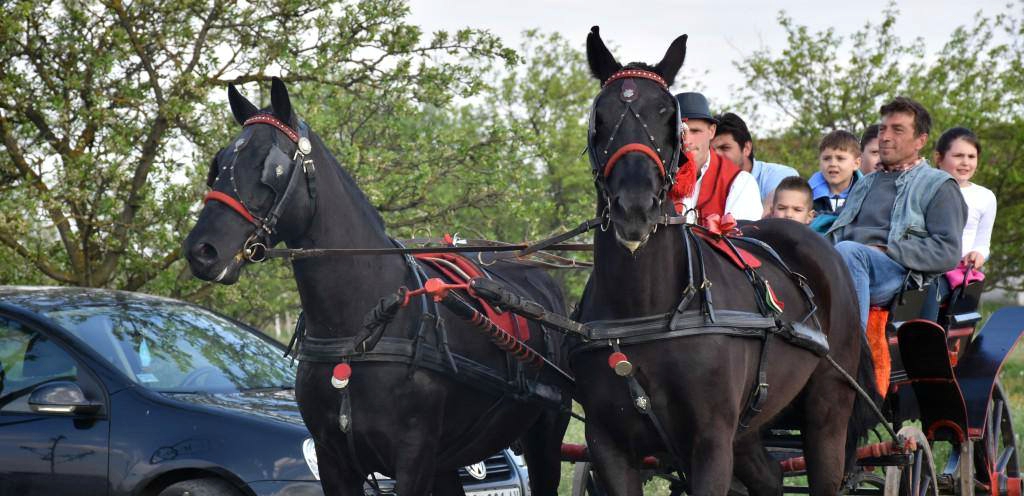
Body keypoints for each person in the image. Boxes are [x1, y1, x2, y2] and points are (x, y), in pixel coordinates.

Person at [827, 97, 966, 328]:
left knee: (850, 252)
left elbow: (948, 251)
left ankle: (852, 345)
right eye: (882, 129)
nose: (885, 136)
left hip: (898, 276)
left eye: (897, 130)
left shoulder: (938, 185)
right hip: (845, 263)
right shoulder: (864, 183)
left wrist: (888, 249)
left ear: (920, 140)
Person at [669, 92, 762, 224]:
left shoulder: (740, 182)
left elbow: (741, 236)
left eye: (695, 131)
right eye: (680, 131)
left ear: (712, 131)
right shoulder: (656, 176)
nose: (687, 140)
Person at [933, 127, 996, 269]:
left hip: (961, 274)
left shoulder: (985, 197)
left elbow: (983, 243)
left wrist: (978, 253)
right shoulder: (924, 189)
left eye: (971, 157)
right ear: (938, 158)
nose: (966, 162)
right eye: (958, 156)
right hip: (923, 270)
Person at [710, 112, 799, 213]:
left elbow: (769, 217)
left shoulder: (780, 175)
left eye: (725, 148)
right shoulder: (704, 181)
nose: (715, 155)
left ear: (746, 148)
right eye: (711, 150)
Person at [808, 130, 862, 233]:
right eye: (826, 158)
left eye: (840, 158)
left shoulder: (867, 194)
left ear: (856, 163)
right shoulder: (807, 195)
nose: (832, 163)